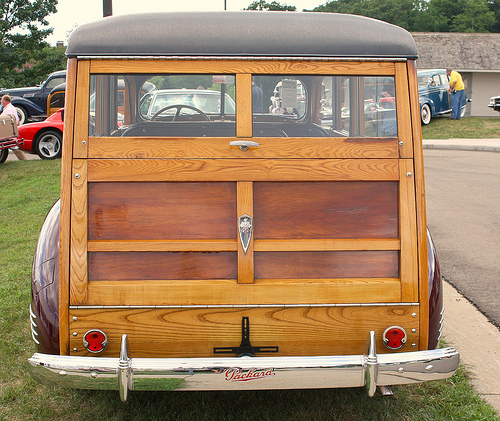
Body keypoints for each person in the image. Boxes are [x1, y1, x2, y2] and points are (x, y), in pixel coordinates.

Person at [1, 95, 26, 160]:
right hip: (11, 129)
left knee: (14, 146)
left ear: (4, 101)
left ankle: (23, 159)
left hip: (8, 130)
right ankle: (23, 159)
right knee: (14, 146)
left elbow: (4, 121)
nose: (1, 101)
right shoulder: (11, 107)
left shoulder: (8, 109)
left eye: (1, 100)